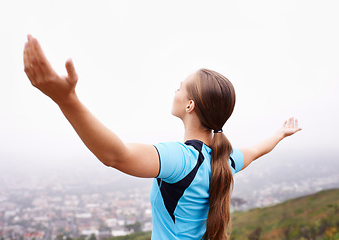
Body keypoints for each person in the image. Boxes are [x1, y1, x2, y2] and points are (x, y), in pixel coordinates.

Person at [23, 35, 301, 240]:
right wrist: (280, 134)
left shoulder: (181, 158)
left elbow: (115, 155)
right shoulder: (225, 158)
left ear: (190, 105)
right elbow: (256, 150)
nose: (175, 91)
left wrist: (66, 100)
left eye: (180, 88)